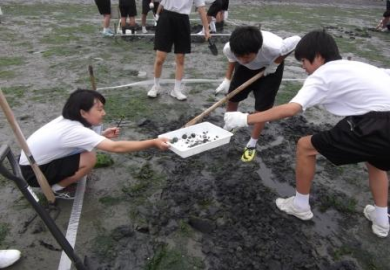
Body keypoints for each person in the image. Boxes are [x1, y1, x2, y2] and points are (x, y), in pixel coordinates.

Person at [223, 30, 390, 238]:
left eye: (303, 60)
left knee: (305, 146)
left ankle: (300, 205)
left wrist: (244, 118)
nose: (302, 67)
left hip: (375, 123)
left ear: (318, 56)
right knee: (375, 163)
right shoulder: (358, 65)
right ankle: (382, 219)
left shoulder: (323, 75)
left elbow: (291, 109)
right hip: (383, 125)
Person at [19, 89, 169, 200]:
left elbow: (74, 142)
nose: (103, 113)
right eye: (99, 109)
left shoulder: (68, 120)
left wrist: (102, 135)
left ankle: (60, 179)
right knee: (89, 158)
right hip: (35, 173)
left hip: (32, 162)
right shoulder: (75, 130)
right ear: (83, 113)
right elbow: (116, 148)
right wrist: (153, 142)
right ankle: (55, 189)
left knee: (86, 153)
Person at [216, 26, 300, 162]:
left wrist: (276, 63)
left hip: (270, 70)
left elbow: (296, 40)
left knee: (262, 108)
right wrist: (227, 79)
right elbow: (233, 59)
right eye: (239, 56)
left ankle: (252, 144)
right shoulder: (230, 48)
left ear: (258, 49)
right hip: (245, 70)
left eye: (246, 56)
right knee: (232, 97)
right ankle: (229, 126)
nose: (242, 59)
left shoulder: (274, 47)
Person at [147, 0, 211, 101]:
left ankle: (176, 90)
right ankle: (156, 86)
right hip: (166, 19)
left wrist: (206, 29)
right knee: (160, 58)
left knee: (180, 59)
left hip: (182, 20)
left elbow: (201, 9)